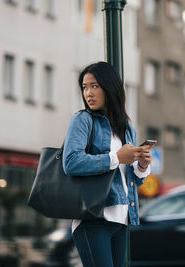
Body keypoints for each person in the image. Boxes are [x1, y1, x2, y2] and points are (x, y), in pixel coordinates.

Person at [62, 61, 155, 267]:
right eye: (85, 87)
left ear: (109, 87)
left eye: (94, 86)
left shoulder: (127, 127)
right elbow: (71, 162)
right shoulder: (82, 120)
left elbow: (131, 181)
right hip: (93, 219)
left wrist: (141, 166)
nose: (88, 93)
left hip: (122, 221)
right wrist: (116, 157)